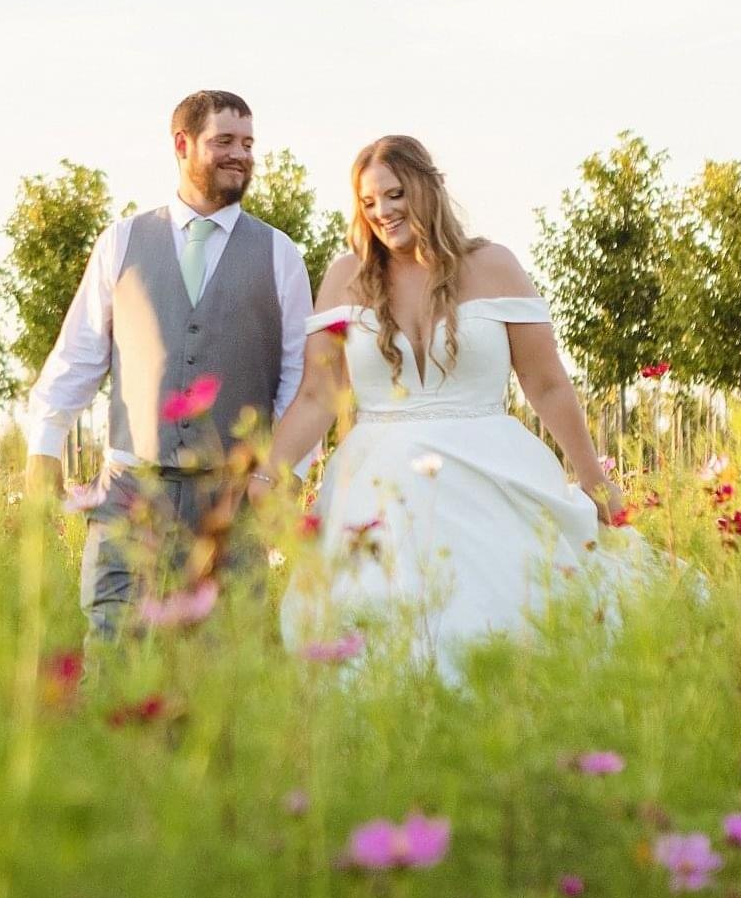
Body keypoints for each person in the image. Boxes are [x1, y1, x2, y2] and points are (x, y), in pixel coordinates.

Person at [259, 134, 638, 676]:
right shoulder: (347, 276)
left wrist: (594, 479)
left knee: (505, 622)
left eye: (394, 194)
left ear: (428, 186)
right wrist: (266, 478)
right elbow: (319, 395)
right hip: (376, 491)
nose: (383, 213)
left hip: (492, 476)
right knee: (374, 635)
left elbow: (547, 383)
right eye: (369, 203)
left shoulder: (495, 265)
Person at [24, 90, 315, 638]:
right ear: (182, 144)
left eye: (248, 144)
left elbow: (301, 376)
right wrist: (44, 445)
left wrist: (284, 472)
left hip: (230, 501)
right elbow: (79, 353)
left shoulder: (281, 255)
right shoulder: (122, 241)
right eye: (224, 141)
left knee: (224, 667)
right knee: (111, 648)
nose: (240, 155)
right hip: (130, 489)